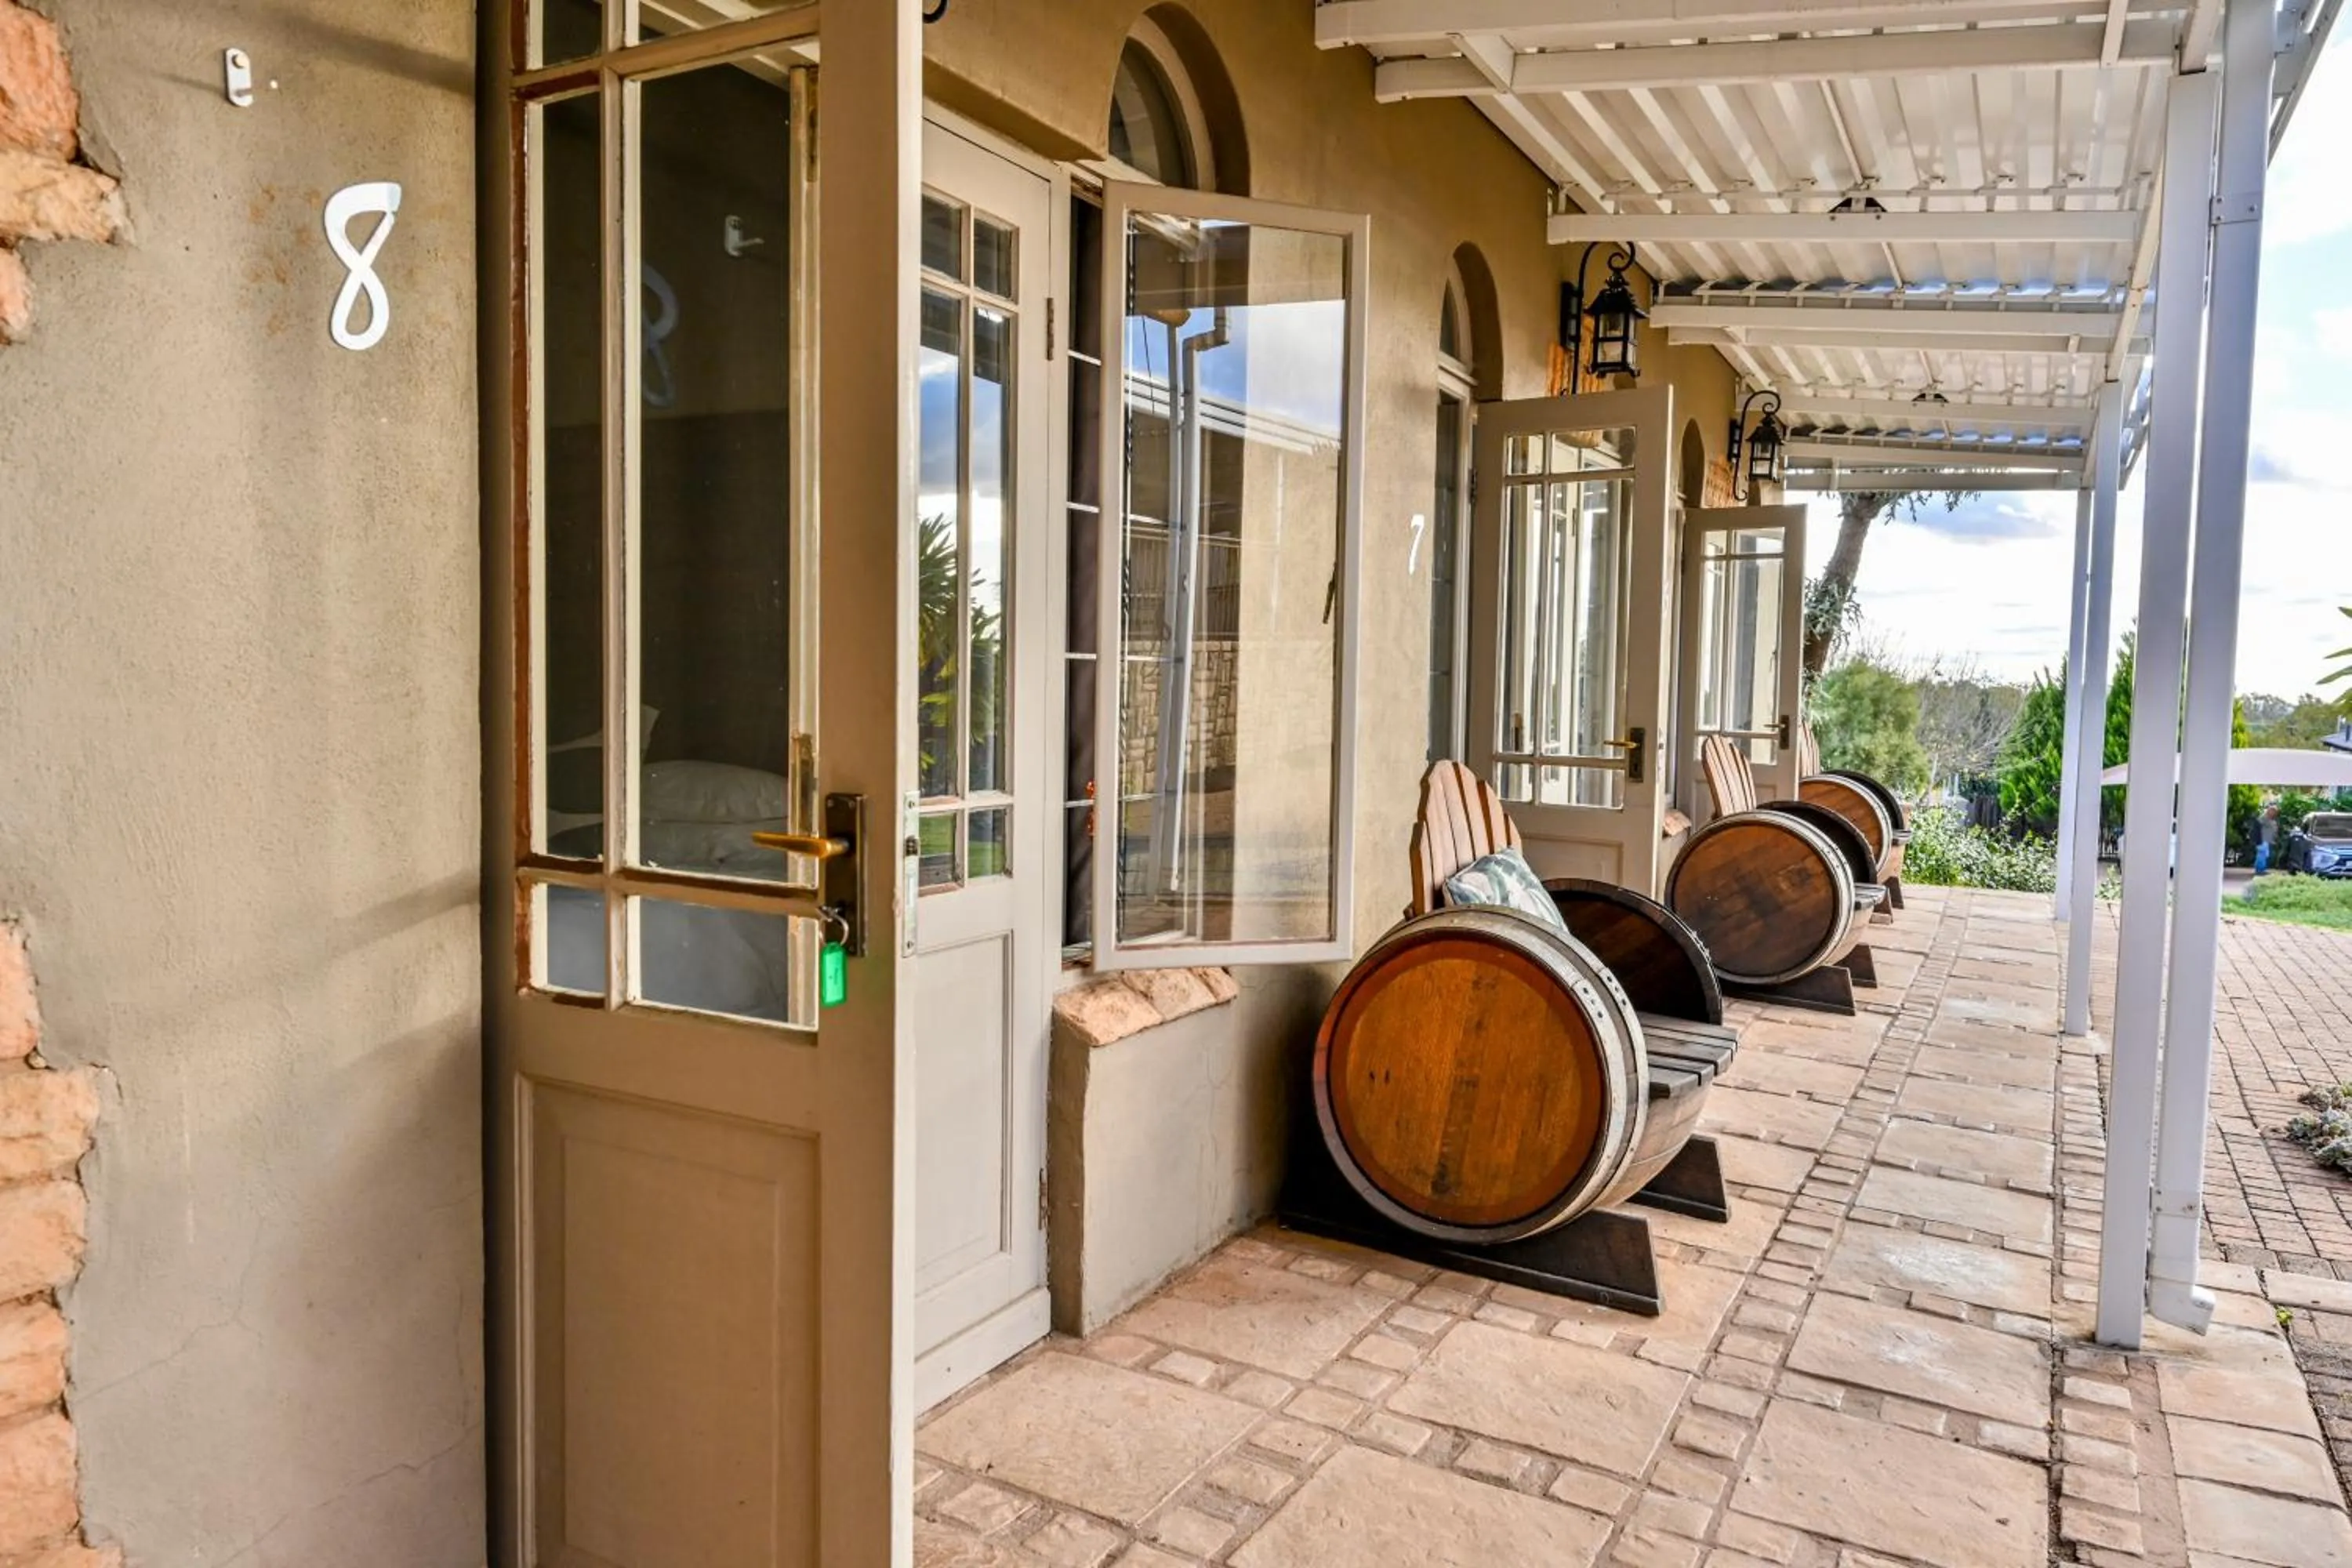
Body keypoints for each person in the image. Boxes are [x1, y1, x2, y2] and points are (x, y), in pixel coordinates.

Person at [2256, 803, 2279, 875]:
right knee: (2262, 855)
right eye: (2273, 811)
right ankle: (2260, 870)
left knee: (2265, 855)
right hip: (2262, 840)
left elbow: (2274, 831)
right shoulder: (2264, 818)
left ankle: (2261, 869)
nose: (2275, 813)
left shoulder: (2272, 820)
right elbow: (2258, 823)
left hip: (2268, 841)